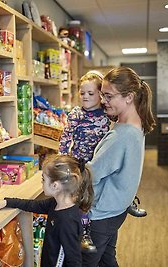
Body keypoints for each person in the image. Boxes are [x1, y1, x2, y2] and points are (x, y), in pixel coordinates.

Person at [82, 66, 156, 267]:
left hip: (100, 215)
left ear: (129, 97)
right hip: (116, 210)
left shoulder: (120, 136)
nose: (102, 101)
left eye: (108, 96)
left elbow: (91, 175)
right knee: (107, 260)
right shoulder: (136, 125)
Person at [0, 154, 94, 267]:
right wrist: (7, 202)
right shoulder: (56, 203)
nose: (41, 183)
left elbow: (74, 260)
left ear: (55, 185)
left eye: (43, 179)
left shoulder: (67, 221)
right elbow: (33, 205)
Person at [58, 70, 110, 253]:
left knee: (95, 197)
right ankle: (83, 233)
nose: (85, 97)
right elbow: (65, 138)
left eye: (91, 93)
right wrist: (62, 161)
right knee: (81, 199)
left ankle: (93, 228)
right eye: (82, 93)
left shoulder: (107, 115)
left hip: (99, 165)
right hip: (79, 165)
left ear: (100, 95)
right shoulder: (76, 114)